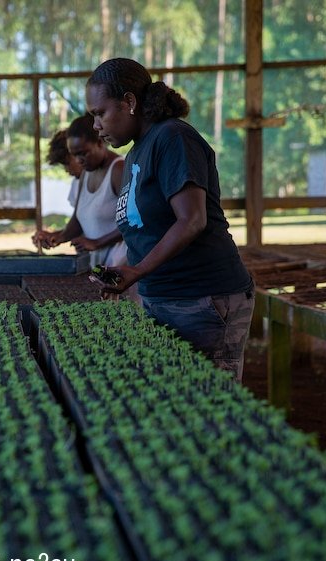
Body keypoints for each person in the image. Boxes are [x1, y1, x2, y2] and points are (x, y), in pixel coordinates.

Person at [85, 57, 254, 380]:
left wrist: (136, 270)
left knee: (210, 403)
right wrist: (125, 276)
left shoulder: (173, 138)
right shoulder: (137, 152)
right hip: (163, 298)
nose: (96, 126)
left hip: (203, 299)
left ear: (129, 102)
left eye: (99, 113)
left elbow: (192, 220)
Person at [32, 115, 127, 269]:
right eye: (74, 155)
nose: (78, 160)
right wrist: (57, 237)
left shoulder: (119, 170)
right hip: (98, 265)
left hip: (121, 266)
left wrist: (97, 242)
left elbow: (135, 222)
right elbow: (78, 219)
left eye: (83, 153)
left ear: (99, 143)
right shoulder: (86, 173)